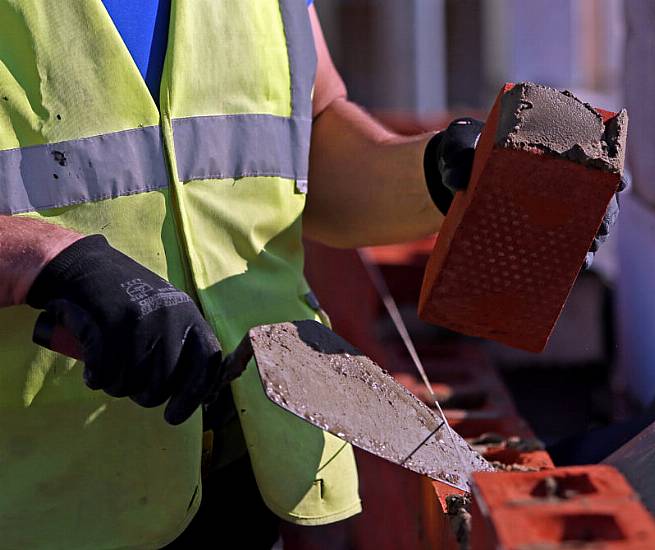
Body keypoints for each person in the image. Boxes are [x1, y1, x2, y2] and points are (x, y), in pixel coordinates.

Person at [0, 1, 620, 547]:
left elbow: (308, 143)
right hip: (46, 496)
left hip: (254, 478)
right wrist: (45, 258)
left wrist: (437, 172)